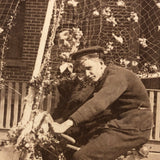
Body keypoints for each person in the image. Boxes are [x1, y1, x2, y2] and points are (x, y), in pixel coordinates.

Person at [50, 46, 153, 160]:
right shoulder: (100, 78)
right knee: (64, 149)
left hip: (132, 128)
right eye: (83, 71)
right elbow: (83, 105)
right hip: (116, 124)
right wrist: (55, 122)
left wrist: (65, 125)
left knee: (83, 156)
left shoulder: (117, 76)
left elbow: (98, 103)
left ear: (101, 63)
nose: (87, 73)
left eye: (89, 68)